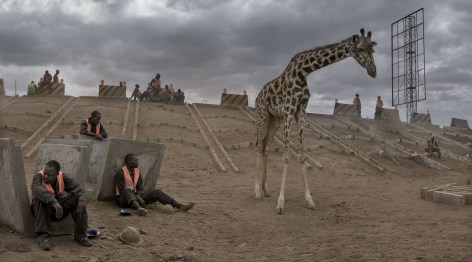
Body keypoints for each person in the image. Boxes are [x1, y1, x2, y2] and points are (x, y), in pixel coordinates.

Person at [31, 160, 92, 250]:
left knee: (77, 198)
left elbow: (77, 187)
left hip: (58, 210)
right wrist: (53, 201)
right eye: (45, 173)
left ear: (56, 175)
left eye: (49, 175)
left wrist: (82, 199)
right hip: (42, 211)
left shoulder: (62, 177)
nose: (46, 177)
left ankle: (81, 235)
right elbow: (36, 188)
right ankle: (43, 238)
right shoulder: (38, 176)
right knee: (39, 198)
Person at [115, 153, 195, 216]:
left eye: (137, 160)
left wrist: (139, 197)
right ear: (128, 162)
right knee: (126, 190)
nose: (137, 161)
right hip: (124, 201)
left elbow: (140, 188)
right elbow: (122, 191)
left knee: (156, 192)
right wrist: (138, 198)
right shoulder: (120, 173)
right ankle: (139, 209)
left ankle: (178, 205)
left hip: (138, 198)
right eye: (135, 160)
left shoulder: (137, 172)